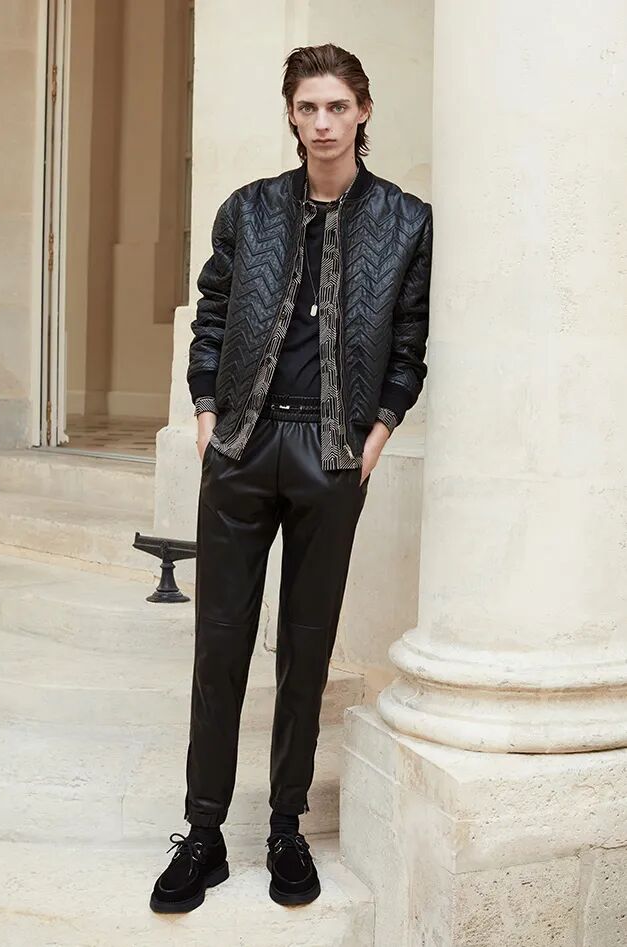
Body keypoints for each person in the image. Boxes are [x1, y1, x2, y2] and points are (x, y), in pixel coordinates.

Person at [150, 42, 433, 914]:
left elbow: (409, 345)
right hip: (241, 444)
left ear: (362, 112)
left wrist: (374, 437)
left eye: (336, 106)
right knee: (219, 644)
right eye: (307, 107)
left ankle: (284, 826)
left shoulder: (405, 220)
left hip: (332, 453)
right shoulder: (249, 209)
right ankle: (202, 832)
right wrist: (207, 415)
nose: (321, 123)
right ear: (291, 115)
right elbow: (213, 315)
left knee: (306, 649)